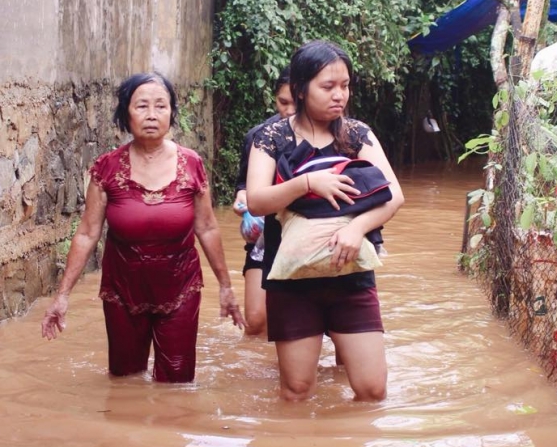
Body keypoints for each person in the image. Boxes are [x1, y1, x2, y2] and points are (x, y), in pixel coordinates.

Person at [41, 72, 245, 382]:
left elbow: (207, 228)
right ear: (125, 113)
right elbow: (87, 232)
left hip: (180, 286)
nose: (152, 115)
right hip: (122, 290)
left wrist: (226, 288)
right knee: (124, 379)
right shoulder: (106, 168)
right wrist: (63, 296)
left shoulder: (192, 164)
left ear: (171, 113)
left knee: (177, 381)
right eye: (142, 106)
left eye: (161, 106)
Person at [246, 41, 404, 402]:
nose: (340, 96)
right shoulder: (272, 137)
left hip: (350, 274)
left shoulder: (356, 135)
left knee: (372, 389)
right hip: (291, 278)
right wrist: (306, 183)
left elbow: (395, 195)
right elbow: (256, 200)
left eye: (345, 86)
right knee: (297, 390)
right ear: (301, 89)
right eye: (328, 87)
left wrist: (356, 228)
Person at [231, 69, 296, 336]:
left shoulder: (329, 135)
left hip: (306, 237)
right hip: (263, 237)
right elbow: (244, 186)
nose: (289, 111)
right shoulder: (259, 136)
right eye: (283, 103)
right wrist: (242, 200)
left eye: (295, 103)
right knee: (256, 321)